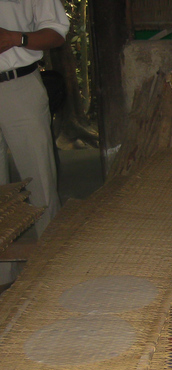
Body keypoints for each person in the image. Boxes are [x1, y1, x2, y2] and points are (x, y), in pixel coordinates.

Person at [0, 0, 70, 237]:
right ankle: (3, 272)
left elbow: (57, 32)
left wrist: (15, 39)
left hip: (18, 86)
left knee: (40, 183)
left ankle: (50, 265)